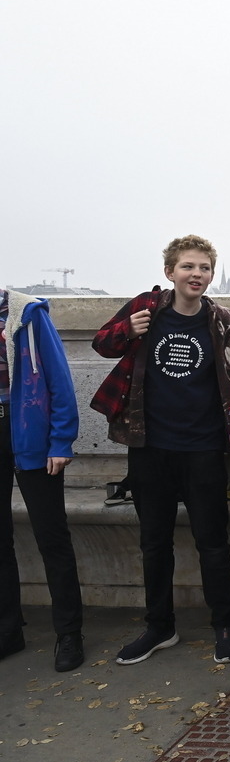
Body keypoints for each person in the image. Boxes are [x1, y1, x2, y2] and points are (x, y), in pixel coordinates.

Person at [91, 235, 230, 666]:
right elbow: (102, 343)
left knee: (212, 542)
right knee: (154, 543)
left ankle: (225, 624)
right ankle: (159, 627)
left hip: (203, 449)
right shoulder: (146, 309)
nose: (196, 274)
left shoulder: (223, 322)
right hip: (149, 446)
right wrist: (129, 330)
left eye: (203, 268)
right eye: (188, 267)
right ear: (170, 272)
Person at [0, 288, 84, 672]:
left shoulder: (27, 314)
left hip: (30, 435)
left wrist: (61, 439)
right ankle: (8, 631)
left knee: (52, 537)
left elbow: (59, 377)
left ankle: (69, 634)